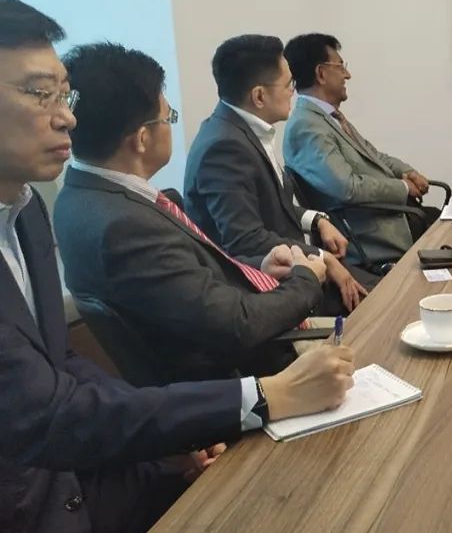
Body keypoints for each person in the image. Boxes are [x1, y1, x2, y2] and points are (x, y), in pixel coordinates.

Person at [0, 0, 354, 533]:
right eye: (39, 94)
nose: (66, 119)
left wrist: (165, 445)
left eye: (65, 95)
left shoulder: (25, 211)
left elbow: (60, 364)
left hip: (96, 479)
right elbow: (48, 412)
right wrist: (260, 397)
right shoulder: (110, 216)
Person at [54, 42, 329, 385]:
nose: (172, 124)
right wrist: (305, 279)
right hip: (245, 380)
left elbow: (185, 290)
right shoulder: (124, 226)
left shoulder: (82, 197)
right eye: (169, 117)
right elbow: (236, 326)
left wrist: (257, 267)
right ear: (142, 138)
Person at [184, 34, 374, 307]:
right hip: (271, 287)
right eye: (288, 85)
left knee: (390, 289)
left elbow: (269, 204)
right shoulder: (224, 148)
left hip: (298, 263)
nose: (293, 92)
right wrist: (323, 258)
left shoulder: (241, 131)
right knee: (387, 301)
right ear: (259, 96)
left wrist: (317, 220)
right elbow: (246, 240)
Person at [282, 33, 435, 266]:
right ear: (321, 73)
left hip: (394, 218)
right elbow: (347, 188)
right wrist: (403, 187)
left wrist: (407, 171)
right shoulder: (307, 126)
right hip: (370, 238)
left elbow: (374, 156)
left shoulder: (329, 117)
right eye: (340, 66)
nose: (347, 75)